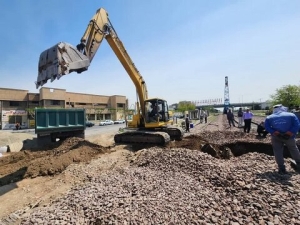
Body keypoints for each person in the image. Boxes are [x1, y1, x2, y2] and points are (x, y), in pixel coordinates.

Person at [264, 104, 300, 174]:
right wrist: (290, 132)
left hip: (276, 137)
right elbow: (297, 125)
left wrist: (274, 132)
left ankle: (281, 168)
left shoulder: (269, 117)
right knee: (293, 148)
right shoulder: (291, 115)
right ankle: (299, 164)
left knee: (277, 151)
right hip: (289, 137)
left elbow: (267, 127)